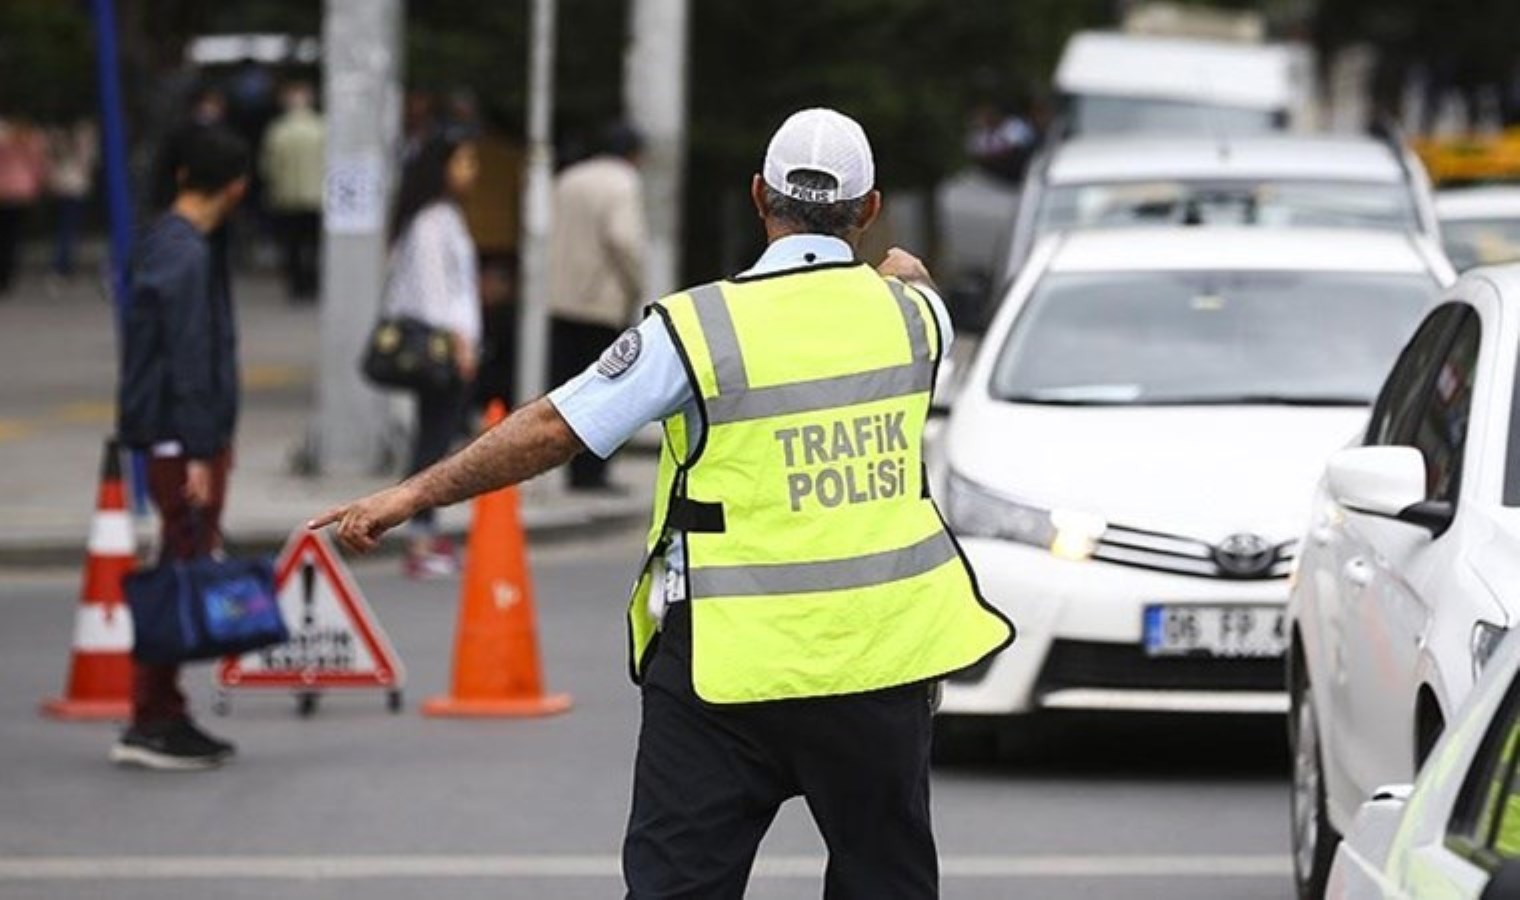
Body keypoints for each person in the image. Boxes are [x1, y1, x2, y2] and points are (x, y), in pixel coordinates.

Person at [312, 108, 1015, 898]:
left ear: (759, 197)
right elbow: (911, 287)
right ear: (871, 207)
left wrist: (411, 493)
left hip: (726, 671)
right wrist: (902, 275)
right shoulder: (918, 319)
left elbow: (554, 427)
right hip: (879, 666)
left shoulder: (697, 328)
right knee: (887, 884)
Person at [113, 126, 249, 770]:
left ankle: (161, 710)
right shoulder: (187, 254)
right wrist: (201, 449)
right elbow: (189, 358)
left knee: (179, 561)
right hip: (180, 438)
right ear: (236, 187)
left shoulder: (164, 242)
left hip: (177, 434)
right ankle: (153, 716)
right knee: (179, 569)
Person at [380, 135, 482, 579]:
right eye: (464, 160)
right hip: (440, 348)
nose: (471, 170)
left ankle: (425, 531)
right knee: (432, 442)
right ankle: (420, 537)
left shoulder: (442, 216)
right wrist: (460, 345)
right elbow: (434, 294)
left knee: (436, 437)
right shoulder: (431, 221)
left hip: (449, 344)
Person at [547, 121, 647, 492]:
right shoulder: (623, 183)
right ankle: (593, 474)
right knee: (606, 391)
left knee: (568, 389)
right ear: (635, 154)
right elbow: (624, 239)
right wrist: (635, 284)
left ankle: (571, 469)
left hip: (560, 297)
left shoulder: (568, 178)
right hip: (601, 302)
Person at [261, 82, 325, 302]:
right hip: (317, 195)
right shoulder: (321, 128)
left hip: (287, 196)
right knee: (314, 244)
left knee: (292, 244)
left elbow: (269, 165)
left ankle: (297, 285)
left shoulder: (278, 131)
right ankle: (313, 282)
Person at [0, 115, 46, 296]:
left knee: (4, 235)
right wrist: (36, 184)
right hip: (20, 191)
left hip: (4, 190)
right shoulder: (28, 138)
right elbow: (37, 165)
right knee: (12, 237)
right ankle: (7, 275)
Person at [46, 117, 97, 280]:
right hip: (75, 187)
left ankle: (62, 263)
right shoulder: (81, 140)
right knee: (69, 228)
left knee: (65, 227)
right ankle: (63, 264)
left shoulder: (59, 140)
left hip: (63, 186)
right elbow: (87, 164)